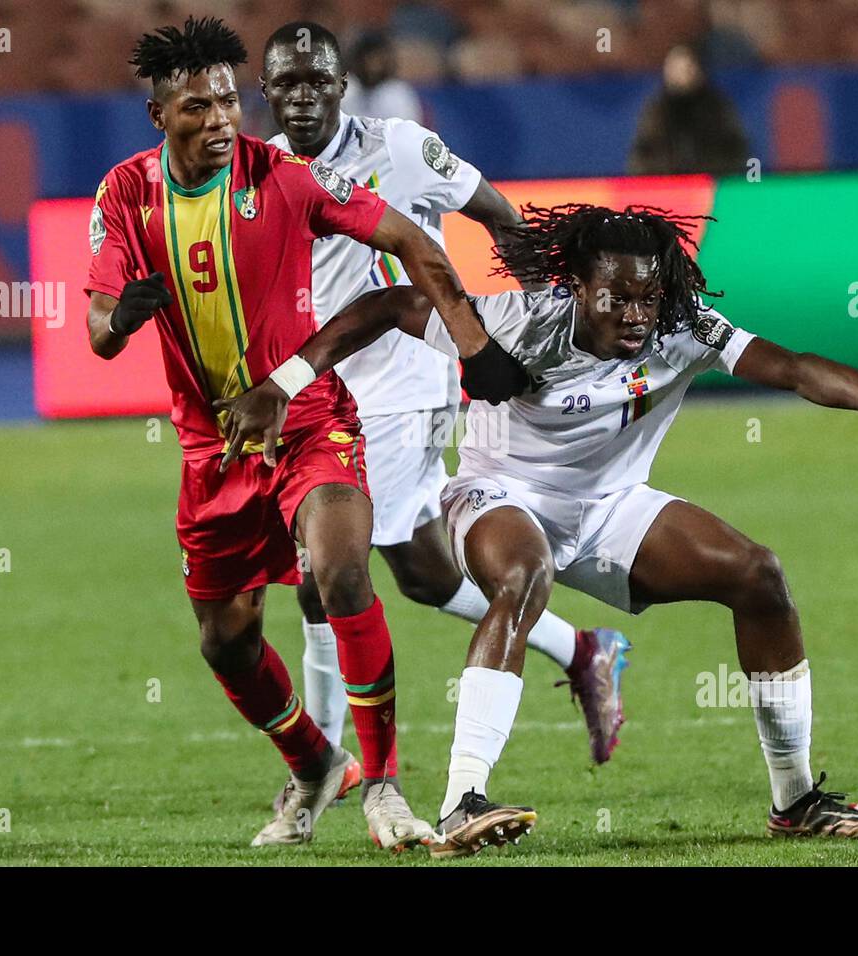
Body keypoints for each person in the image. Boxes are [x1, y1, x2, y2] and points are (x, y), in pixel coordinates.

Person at [219, 202, 858, 858]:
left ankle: (796, 801)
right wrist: (288, 383)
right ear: (576, 287)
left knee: (761, 578)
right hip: (497, 495)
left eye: (648, 297)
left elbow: (791, 367)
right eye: (616, 297)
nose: (636, 314)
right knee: (523, 575)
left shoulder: (683, 325)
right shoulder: (519, 319)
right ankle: (463, 800)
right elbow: (385, 307)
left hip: (613, 505)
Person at [83, 15, 520, 852]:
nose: (219, 119)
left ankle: (385, 788)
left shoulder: (281, 177)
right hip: (213, 451)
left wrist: (472, 340)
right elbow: (99, 328)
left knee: (341, 572)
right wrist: (123, 318)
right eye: (196, 107)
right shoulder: (125, 196)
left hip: (309, 420)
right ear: (158, 117)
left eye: (226, 101)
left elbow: (404, 235)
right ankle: (317, 763)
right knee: (226, 640)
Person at [260, 21, 630, 805]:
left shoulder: (398, 148)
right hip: (322, 388)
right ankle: (583, 648)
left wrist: (540, 327)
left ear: (339, 86)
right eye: (284, 83)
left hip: (404, 385)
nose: (300, 97)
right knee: (422, 574)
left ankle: (320, 771)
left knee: (322, 577)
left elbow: (497, 211)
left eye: (314, 81)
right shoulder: (257, 173)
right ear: (266, 93)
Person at [628, 44, 750, 177]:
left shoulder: (718, 109)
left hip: (711, 186)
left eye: (687, 68)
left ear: (699, 71)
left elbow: (736, 152)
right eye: (675, 69)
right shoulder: (656, 112)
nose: (681, 75)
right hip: (666, 189)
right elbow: (642, 156)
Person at [340, 30, 423, 124]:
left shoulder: (399, 95)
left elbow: (407, 134)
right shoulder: (346, 90)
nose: (371, 67)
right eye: (366, 59)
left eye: (377, 60)